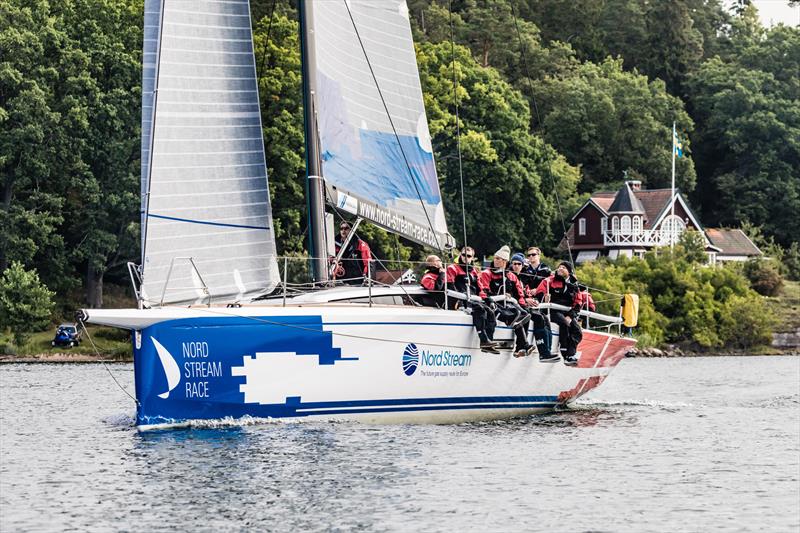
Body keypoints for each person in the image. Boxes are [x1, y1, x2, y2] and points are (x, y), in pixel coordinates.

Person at [478, 246, 535, 358]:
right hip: (494, 304)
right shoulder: (486, 273)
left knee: (525, 314)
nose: (495, 260)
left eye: (498, 258)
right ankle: (523, 345)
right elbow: (483, 291)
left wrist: (523, 305)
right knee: (520, 316)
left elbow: (520, 294)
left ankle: (521, 346)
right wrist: (499, 296)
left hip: (508, 305)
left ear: (505, 261)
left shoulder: (511, 276)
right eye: (495, 258)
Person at [445, 246, 498, 353]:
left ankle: (488, 343)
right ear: (460, 255)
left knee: (491, 312)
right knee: (479, 309)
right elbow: (450, 286)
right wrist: (460, 297)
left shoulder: (474, 271)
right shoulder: (452, 268)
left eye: (468, 256)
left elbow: (480, 289)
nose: (465, 257)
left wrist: (488, 299)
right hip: (459, 300)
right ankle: (483, 340)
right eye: (463, 255)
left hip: (473, 299)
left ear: (472, 258)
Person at [534, 261, 581, 366]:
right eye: (559, 267)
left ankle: (570, 355)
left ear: (569, 271)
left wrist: (570, 315)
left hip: (567, 313)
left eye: (563, 267)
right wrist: (544, 298)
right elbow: (538, 294)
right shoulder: (549, 280)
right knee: (564, 323)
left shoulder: (574, 285)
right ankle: (564, 352)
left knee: (577, 331)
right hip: (553, 311)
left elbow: (578, 303)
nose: (560, 269)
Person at [509, 253, 554, 362]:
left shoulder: (522, 279)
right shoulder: (509, 276)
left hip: (524, 305)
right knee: (529, 316)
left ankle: (545, 352)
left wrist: (532, 300)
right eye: (514, 263)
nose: (516, 266)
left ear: (522, 265)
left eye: (519, 264)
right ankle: (522, 346)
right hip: (516, 305)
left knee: (541, 318)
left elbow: (526, 293)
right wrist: (525, 300)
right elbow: (511, 294)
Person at [333, 221, 372, 285]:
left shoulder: (360, 244)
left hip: (357, 281)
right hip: (340, 281)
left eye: (346, 228)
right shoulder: (334, 244)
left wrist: (366, 278)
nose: (343, 230)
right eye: (341, 228)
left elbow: (368, 263)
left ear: (351, 230)